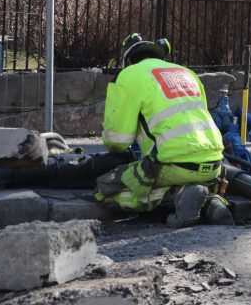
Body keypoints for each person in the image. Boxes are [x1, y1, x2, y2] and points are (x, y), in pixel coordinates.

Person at [95, 34, 233, 227]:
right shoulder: (187, 73)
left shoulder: (129, 75)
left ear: (128, 60)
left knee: (106, 189)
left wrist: (117, 153)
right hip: (214, 165)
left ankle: (177, 195)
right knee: (187, 179)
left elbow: (117, 140)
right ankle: (211, 202)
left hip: (173, 165)